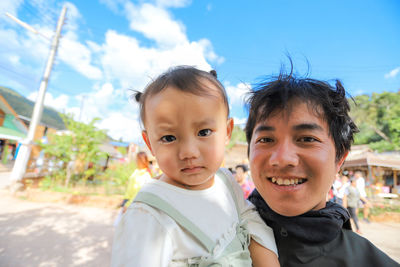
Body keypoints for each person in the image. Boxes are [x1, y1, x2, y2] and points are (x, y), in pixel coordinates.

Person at [111, 66, 279, 266]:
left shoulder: (226, 182)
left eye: (204, 132)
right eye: (169, 137)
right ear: (149, 144)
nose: (189, 152)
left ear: (227, 132)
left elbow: (251, 223)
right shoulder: (149, 214)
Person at [245, 68, 399, 266]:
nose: (282, 159)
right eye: (266, 139)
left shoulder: (367, 261)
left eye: (307, 139)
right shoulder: (212, 236)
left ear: (339, 160)